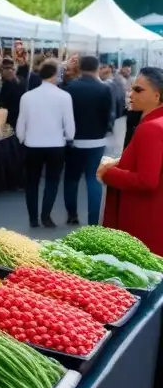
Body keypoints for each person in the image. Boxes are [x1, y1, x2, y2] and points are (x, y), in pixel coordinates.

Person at [100, 67, 163, 254]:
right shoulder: (154, 124)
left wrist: (109, 173)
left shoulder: (151, 128)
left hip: (143, 219)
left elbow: (147, 180)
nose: (131, 94)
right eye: (132, 89)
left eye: (138, 90)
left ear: (157, 96)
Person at [16, 60, 75, 228]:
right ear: (55, 75)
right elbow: (69, 123)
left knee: (32, 182)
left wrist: (21, 138)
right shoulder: (64, 96)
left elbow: (22, 121)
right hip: (56, 145)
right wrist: (69, 137)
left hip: (32, 144)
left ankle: (33, 218)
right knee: (52, 182)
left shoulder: (27, 96)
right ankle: (46, 216)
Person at [63, 54, 114, 225]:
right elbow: (110, 115)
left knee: (71, 178)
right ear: (97, 67)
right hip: (97, 140)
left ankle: (72, 215)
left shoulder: (70, 87)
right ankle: (93, 220)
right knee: (93, 179)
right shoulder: (105, 88)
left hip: (74, 140)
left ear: (81, 68)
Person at [0, 57, 25, 129]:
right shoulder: (22, 79)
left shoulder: (7, 83)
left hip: (11, 117)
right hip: (21, 114)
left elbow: (2, 101)